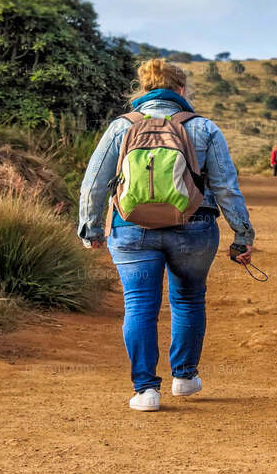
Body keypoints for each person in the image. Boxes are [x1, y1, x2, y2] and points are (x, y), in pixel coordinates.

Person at [79, 58, 255, 413]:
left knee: (140, 305)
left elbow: (93, 183)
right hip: (195, 228)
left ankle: (145, 391)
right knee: (188, 299)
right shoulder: (204, 128)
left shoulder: (120, 127)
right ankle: (185, 377)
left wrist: (91, 228)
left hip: (132, 229)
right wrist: (242, 234)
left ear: (143, 90)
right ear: (181, 90)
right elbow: (226, 188)